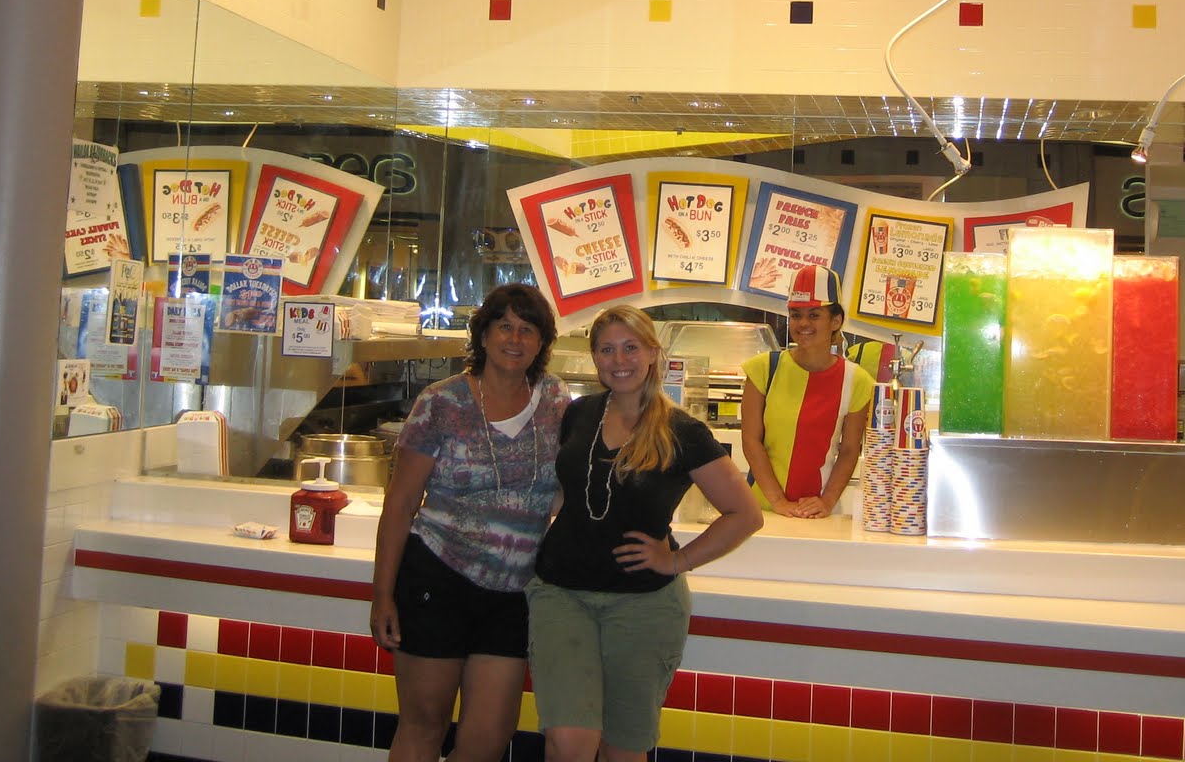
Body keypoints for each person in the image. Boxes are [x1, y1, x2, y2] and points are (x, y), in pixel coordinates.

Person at [528, 305, 762, 762]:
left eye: (631, 347)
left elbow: (744, 514)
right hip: (562, 594)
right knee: (569, 742)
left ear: (653, 352)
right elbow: (570, 492)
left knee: (624, 749)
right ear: (594, 357)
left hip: (643, 605)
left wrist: (677, 560)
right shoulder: (578, 414)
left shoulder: (683, 431)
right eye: (607, 350)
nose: (619, 360)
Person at [370, 283, 568, 762]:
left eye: (528, 330)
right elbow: (401, 502)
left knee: (488, 740)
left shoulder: (556, 400)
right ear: (483, 334)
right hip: (436, 578)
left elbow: (567, 488)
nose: (514, 339)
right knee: (424, 726)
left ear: (542, 342)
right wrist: (382, 595)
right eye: (504, 327)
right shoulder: (442, 402)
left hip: (514, 593)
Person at [739, 263, 877, 518]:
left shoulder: (857, 380)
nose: (803, 323)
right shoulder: (762, 369)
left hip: (818, 514)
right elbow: (750, 441)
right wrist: (779, 502)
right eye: (796, 315)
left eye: (814, 315)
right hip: (762, 511)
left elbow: (849, 450)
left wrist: (826, 501)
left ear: (836, 320)